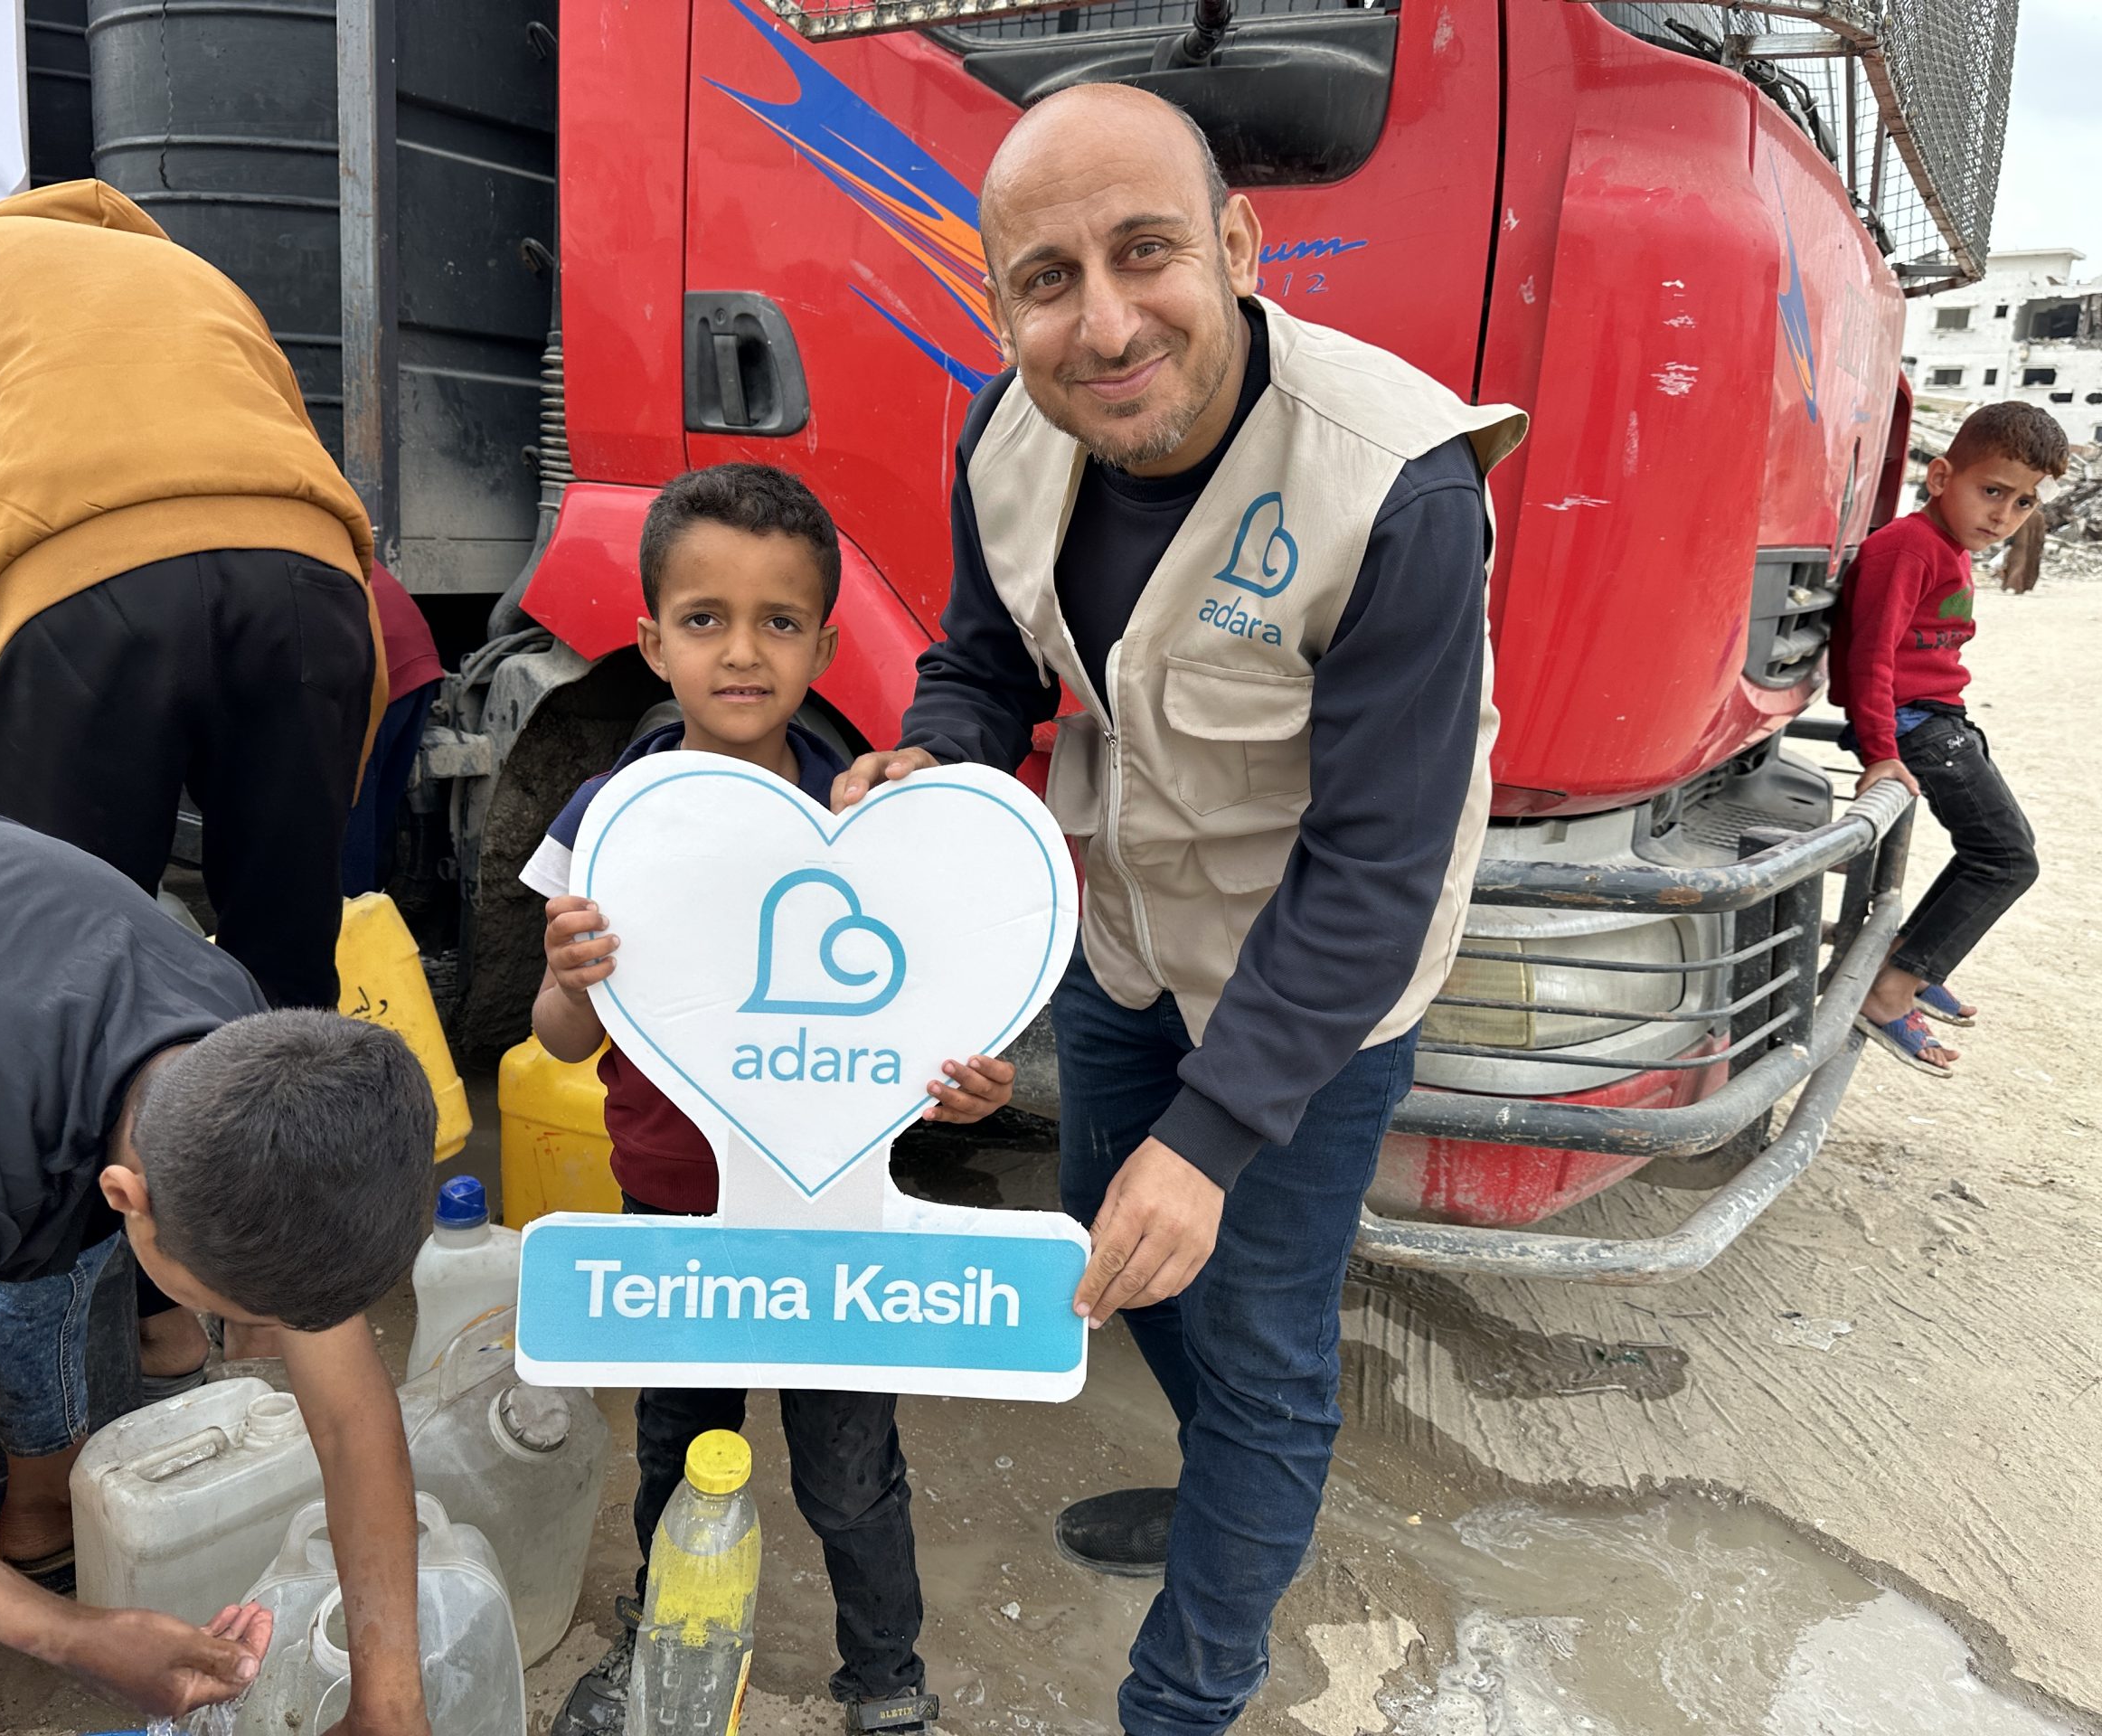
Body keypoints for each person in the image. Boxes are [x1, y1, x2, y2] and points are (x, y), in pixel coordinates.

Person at [831, 85, 1524, 1736]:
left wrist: (1211, 1141)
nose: (1103, 322)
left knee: (1264, 1332)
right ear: (999, 300)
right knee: (1106, 1221)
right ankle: (1239, 1495)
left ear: (1237, 246)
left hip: (1317, 979)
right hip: (1133, 937)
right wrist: (932, 764)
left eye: (1145, 252)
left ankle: (1192, 1688)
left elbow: (1375, 866)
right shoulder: (1007, 435)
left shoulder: (1398, 484)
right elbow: (984, 662)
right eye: (1046, 279)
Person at [0, 176, 392, 1394]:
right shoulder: (190, 273)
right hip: (318, 600)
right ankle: (254, 1310)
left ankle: (90, 1386)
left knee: (47, 1008)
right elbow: (315, 501)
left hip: (93, 603)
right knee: (283, 973)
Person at [522, 464, 1017, 1736]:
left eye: (779, 622)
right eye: (705, 619)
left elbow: (918, 1027)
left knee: (850, 1474)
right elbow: (557, 1036)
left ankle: (887, 1686)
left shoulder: (871, 820)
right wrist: (571, 978)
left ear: (825, 648)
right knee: (676, 1451)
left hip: (832, 1222)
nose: (741, 652)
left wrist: (964, 1090)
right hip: (672, 1211)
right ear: (651, 641)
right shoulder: (607, 821)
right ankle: (664, 1649)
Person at [0, 794, 437, 1736]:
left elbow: (348, 1417)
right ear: (124, 1194)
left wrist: (389, 1703)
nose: (268, 1342)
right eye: (236, 1312)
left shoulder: (250, 1068)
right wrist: (70, 1635)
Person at [1832, 401, 2064, 1074]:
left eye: (2023, 503)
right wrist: (1880, 752)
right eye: (1992, 491)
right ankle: (1888, 992)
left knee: (1993, 849)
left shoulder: (1948, 547)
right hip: (1915, 722)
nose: (2004, 515)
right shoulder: (1908, 547)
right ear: (1940, 478)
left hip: (1939, 717)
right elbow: (1871, 654)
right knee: (2007, 859)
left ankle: (1906, 961)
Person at [344, 561, 445, 897]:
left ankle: (352, 916)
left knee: (346, 827)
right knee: (374, 815)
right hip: (412, 651)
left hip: (370, 655)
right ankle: (371, 909)